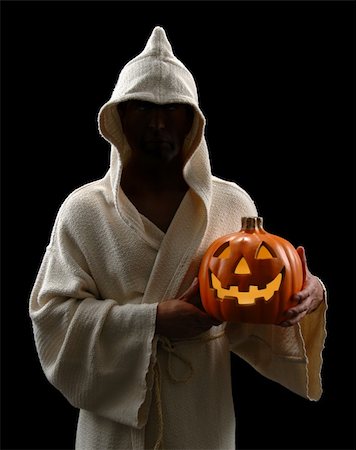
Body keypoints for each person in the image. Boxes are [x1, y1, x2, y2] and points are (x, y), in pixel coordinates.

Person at [29, 26, 327, 450]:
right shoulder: (82, 211)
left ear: (193, 120)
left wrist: (304, 291)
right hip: (113, 429)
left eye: (173, 108)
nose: (157, 122)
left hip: (201, 413)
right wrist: (153, 321)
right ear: (118, 117)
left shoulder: (231, 204)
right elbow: (52, 317)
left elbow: (254, 297)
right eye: (142, 107)